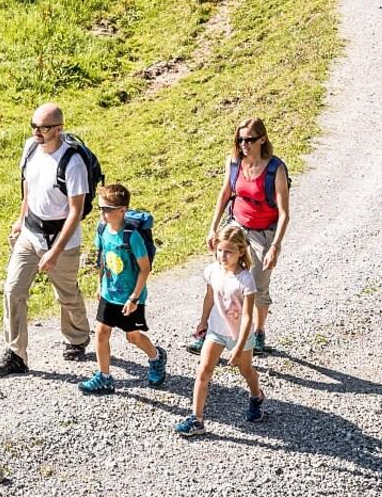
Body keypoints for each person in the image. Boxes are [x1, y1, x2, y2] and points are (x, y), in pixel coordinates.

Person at [0, 101, 91, 376]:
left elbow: (76, 211)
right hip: (30, 234)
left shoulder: (73, 163)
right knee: (13, 290)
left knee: (66, 295)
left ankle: (77, 337)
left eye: (44, 128)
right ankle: (16, 355)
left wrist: (55, 252)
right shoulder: (31, 148)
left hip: (62, 241)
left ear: (59, 129)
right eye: (34, 126)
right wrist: (21, 218)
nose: (37, 132)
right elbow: (28, 185)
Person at [192, 115, 290, 355]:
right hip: (237, 225)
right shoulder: (235, 162)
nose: (244, 144)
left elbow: (284, 213)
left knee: (257, 285)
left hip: (263, 232)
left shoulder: (275, 169)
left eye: (249, 140)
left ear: (262, 139)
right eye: (240, 140)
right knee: (219, 277)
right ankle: (206, 330)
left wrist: (275, 246)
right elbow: (225, 193)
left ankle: (258, 332)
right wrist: (213, 227)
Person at [175, 224, 266, 436]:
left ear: (241, 251)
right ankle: (197, 419)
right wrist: (203, 322)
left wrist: (239, 346)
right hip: (216, 330)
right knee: (204, 370)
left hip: (240, 336)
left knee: (246, 371)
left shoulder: (246, 280)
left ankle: (256, 396)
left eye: (228, 252)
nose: (222, 256)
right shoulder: (212, 271)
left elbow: (247, 315)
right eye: (219, 250)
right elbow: (209, 298)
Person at [77, 182, 168, 394]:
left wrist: (134, 298)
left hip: (130, 297)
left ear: (122, 210)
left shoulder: (132, 236)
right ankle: (104, 377)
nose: (102, 213)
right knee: (101, 333)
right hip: (109, 293)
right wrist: (100, 285)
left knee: (132, 336)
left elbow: (145, 269)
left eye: (107, 209)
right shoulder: (102, 230)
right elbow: (102, 260)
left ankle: (156, 357)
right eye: (100, 208)